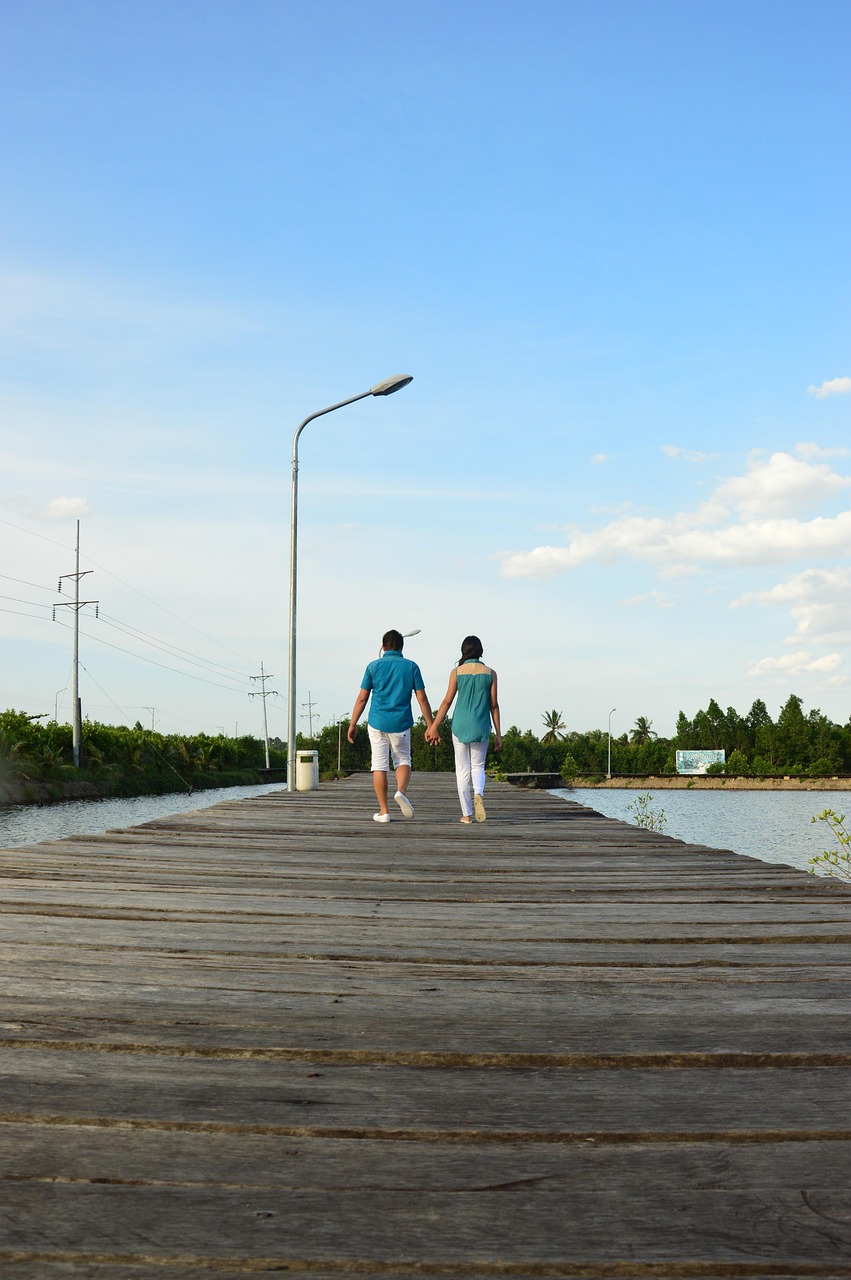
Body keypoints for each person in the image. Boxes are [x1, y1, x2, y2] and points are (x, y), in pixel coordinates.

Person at [348, 629, 436, 823]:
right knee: (403, 759)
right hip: (401, 723)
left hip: (377, 722)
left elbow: (362, 698)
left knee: (379, 765)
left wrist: (353, 723)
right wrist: (431, 725)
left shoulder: (373, 666)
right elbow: (422, 699)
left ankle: (384, 811)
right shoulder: (411, 667)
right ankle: (401, 791)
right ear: (402, 647)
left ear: (383, 647)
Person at [426, 636, 501, 823]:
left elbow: (447, 701)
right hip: (481, 725)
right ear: (480, 651)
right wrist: (499, 735)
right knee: (478, 766)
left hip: (460, 725)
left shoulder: (456, 672)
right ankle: (479, 793)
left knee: (462, 770)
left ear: (463, 651)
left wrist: (434, 726)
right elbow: (494, 706)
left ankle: (467, 815)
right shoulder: (491, 673)